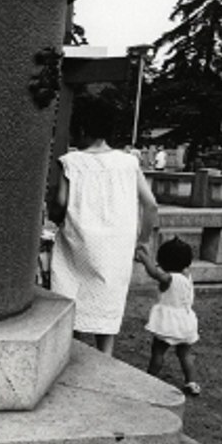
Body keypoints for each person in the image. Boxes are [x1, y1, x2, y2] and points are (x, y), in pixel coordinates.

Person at [49, 113, 158, 356]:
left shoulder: (70, 161)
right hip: (117, 248)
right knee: (107, 309)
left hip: (78, 244)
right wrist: (143, 240)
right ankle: (105, 360)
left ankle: (68, 355)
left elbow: (61, 201)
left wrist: (55, 215)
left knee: (71, 302)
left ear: (84, 129)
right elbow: (151, 205)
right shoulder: (129, 162)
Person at [135, 236, 201, 395]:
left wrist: (144, 259)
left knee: (158, 352)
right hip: (186, 322)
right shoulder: (187, 275)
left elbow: (154, 273)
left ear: (164, 261)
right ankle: (191, 382)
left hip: (169, 324)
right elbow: (159, 269)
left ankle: (150, 378)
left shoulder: (169, 278)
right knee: (185, 354)